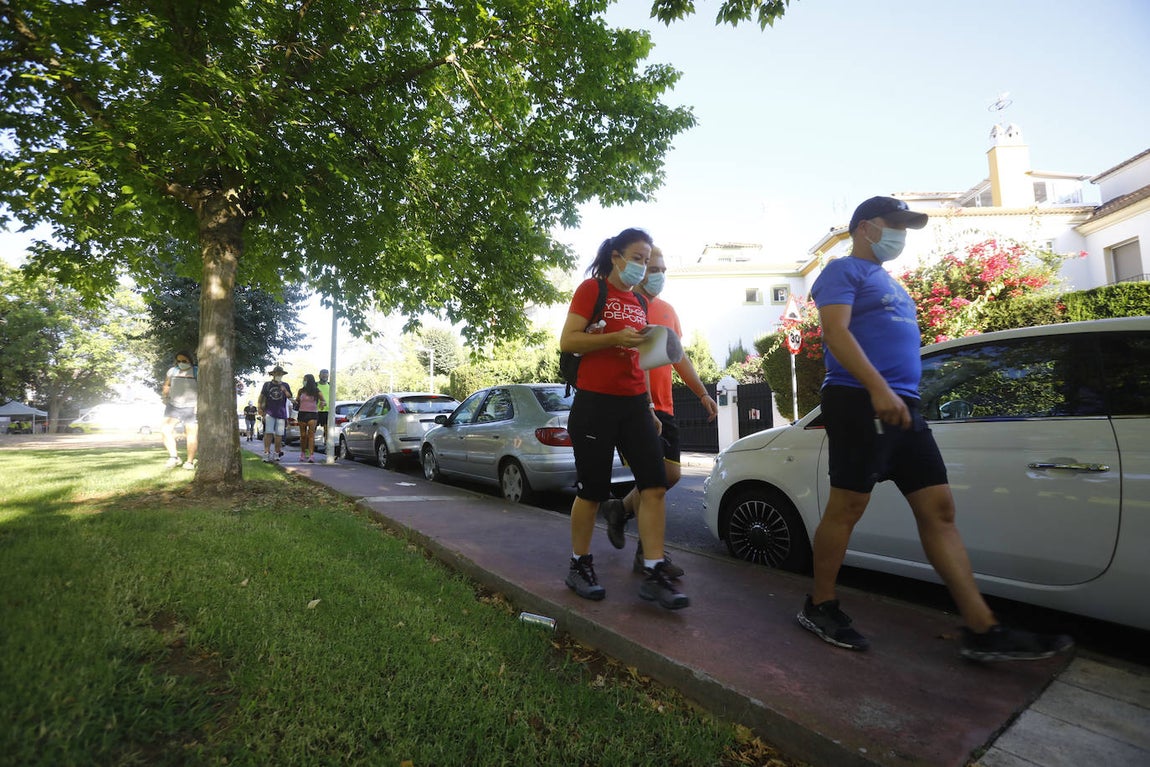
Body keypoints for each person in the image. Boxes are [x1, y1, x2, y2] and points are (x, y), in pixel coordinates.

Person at [798, 195, 1074, 662]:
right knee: (849, 504)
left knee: (940, 509)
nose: (902, 234)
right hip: (857, 398)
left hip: (904, 404)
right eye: (895, 224)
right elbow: (837, 334)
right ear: (865, 227)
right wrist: (878, 389)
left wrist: (895, 393)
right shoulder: (842, 272)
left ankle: (982, 628)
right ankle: (820, 605)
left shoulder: (890, 284)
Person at [559, 228, 688, 610]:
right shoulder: (592, 290)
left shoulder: (639, 301)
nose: (643, 266)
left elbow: (641, 361)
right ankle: (579, 565)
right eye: (637, 258)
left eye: (646, 260)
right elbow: (569, 340)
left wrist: (648, 405)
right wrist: (614, 338)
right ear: (616, 257)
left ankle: (654, 570)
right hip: (596, 403)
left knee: (655, 485)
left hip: (635, 405)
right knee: (593, 492)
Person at [600, 246, 719, 577]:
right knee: (652, 482)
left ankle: (620, 509)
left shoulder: (666, 309)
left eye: (663, 269)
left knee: (670, 476)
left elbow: (677, 355)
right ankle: (649, 556)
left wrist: (702, 393)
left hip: (665, 406)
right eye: (652, 267)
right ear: (634, 265)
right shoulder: (622, 306)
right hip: (635, 406)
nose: (658, 275)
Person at [161, 350, 198, 470]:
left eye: (184, 361)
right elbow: (167, 385)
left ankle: (189, 462)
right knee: (165, 430)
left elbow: (204, 388)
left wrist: (199, 404)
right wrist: (165, 395)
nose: (181, 363)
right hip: (173, 405)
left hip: (191, 406)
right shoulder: (172, 371)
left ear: (190, 360)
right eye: (178, 361)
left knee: (191, 435)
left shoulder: (197, 371)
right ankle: (174, 457)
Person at [258, 365, 293, 463]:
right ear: (273, 374)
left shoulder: (285, 385)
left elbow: (290, 397)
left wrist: (284, 390)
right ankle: (266, 453)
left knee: (279, 435)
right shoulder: (267, 385)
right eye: (277, 373)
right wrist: (259, 408)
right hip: (269, 412)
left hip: (281, 413)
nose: (278, 375)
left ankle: (277, 453)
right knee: (268, 433)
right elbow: (261, 397)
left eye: (280, 374)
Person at [294, 373, 326, 463]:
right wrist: (294, 401)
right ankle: (303, 453)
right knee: (303, 436)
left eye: (305, 379)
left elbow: (324, 401)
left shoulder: (316, 391)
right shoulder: (301, 391)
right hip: (302, 414)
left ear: (309, 381)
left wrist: (322, 404)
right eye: (303, 380)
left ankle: (311, 455)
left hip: (312, 414)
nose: (304, 381)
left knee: (311, 435)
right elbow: (297, 400)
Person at [315, 369, 331, 452]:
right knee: (311, 430)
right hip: (315, 411)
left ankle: (327, 448)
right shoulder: (315, 385)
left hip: (327, 411)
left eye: (326, 375)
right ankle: (309, 448)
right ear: (319, 376)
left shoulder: (330, 385)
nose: (325, 376)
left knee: (327, 430)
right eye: (323, 375)